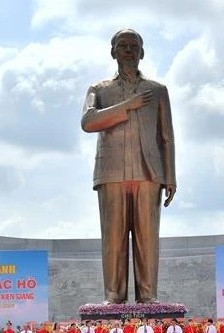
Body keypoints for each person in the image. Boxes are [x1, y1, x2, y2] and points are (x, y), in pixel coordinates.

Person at [81, 29, 177, 305]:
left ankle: (148, 295)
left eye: (133, 45)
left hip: (149, 173)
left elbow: (167, 136)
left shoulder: (158, 91)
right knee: (113, 237)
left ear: (142, 52)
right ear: (113, 52)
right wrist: (128, 106)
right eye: (122, 45)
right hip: (111, 172)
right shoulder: (99, 90)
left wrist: (170, 176)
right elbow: (88, 122)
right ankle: (114, 295)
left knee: (147, 238)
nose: (128, 49)